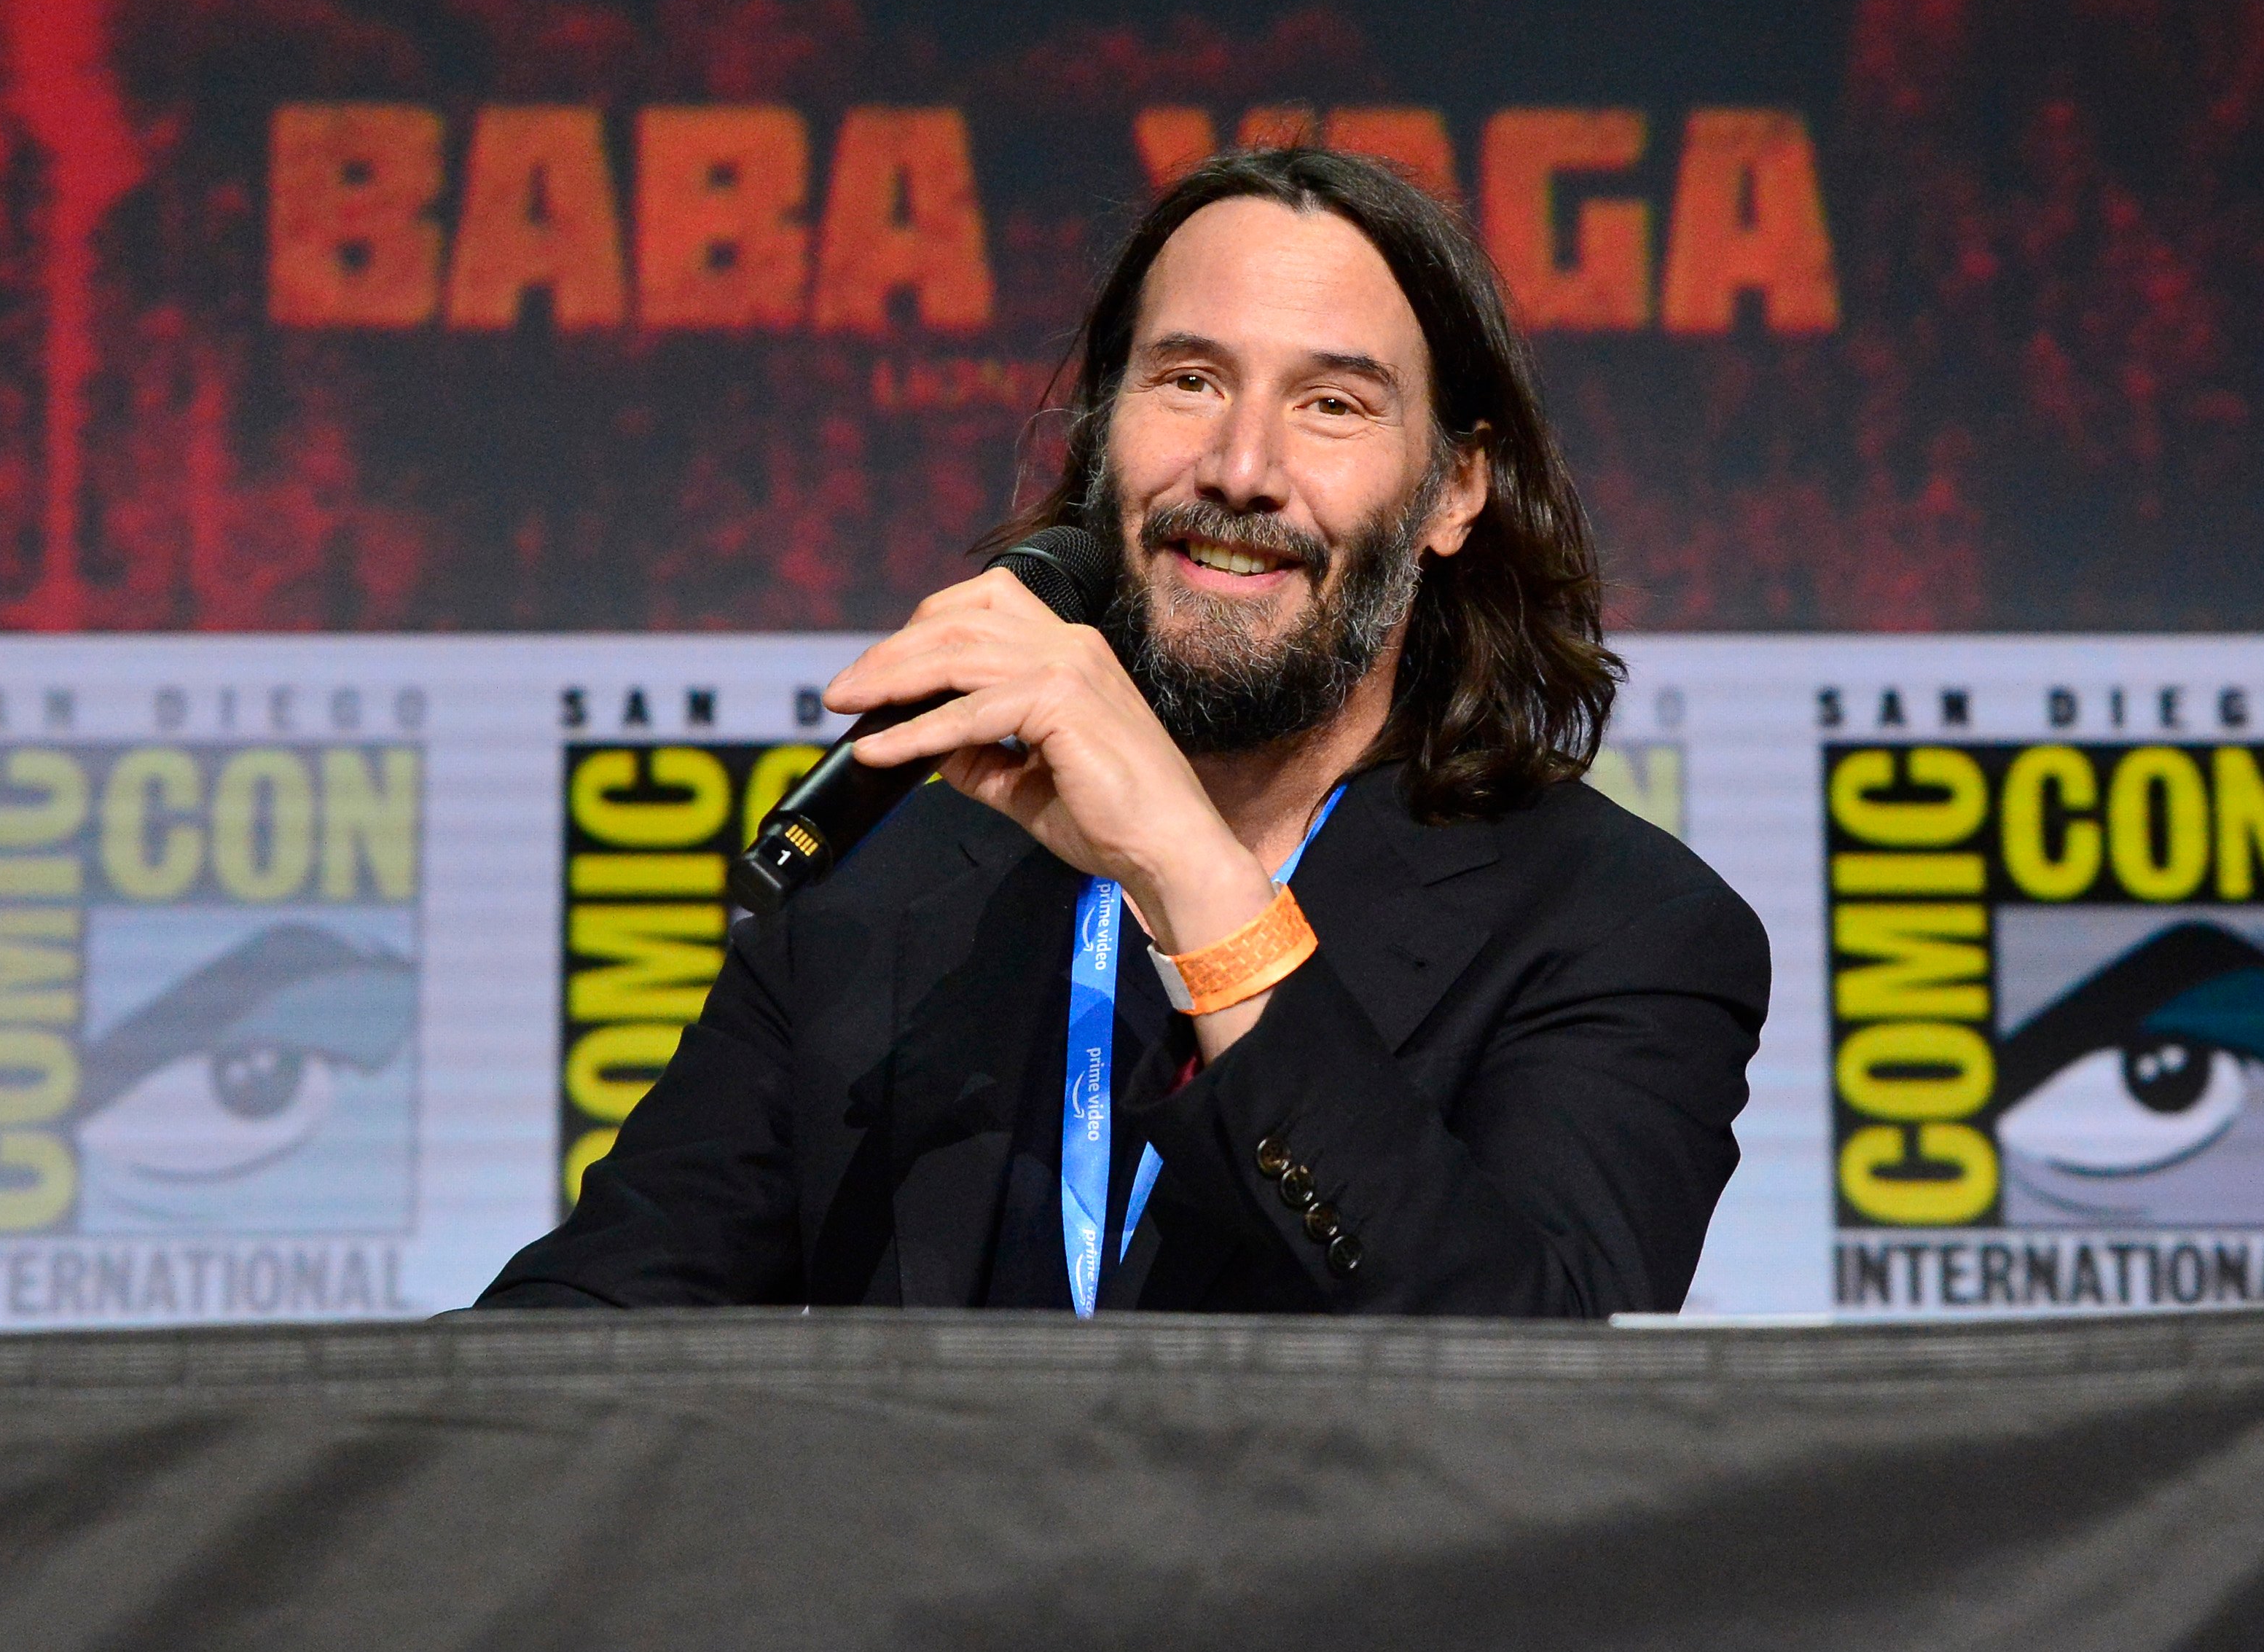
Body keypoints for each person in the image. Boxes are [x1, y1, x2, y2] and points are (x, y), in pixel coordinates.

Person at [479, 148, 1768, 1318]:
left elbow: (1535, 1382)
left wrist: (1185, 865)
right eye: (1190, 380)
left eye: (1332, 405)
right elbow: (581, 1351)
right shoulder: (882, 899)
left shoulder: (1622, 924)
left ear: (1455, 489)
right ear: (1102, 435)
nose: (1241, 466)